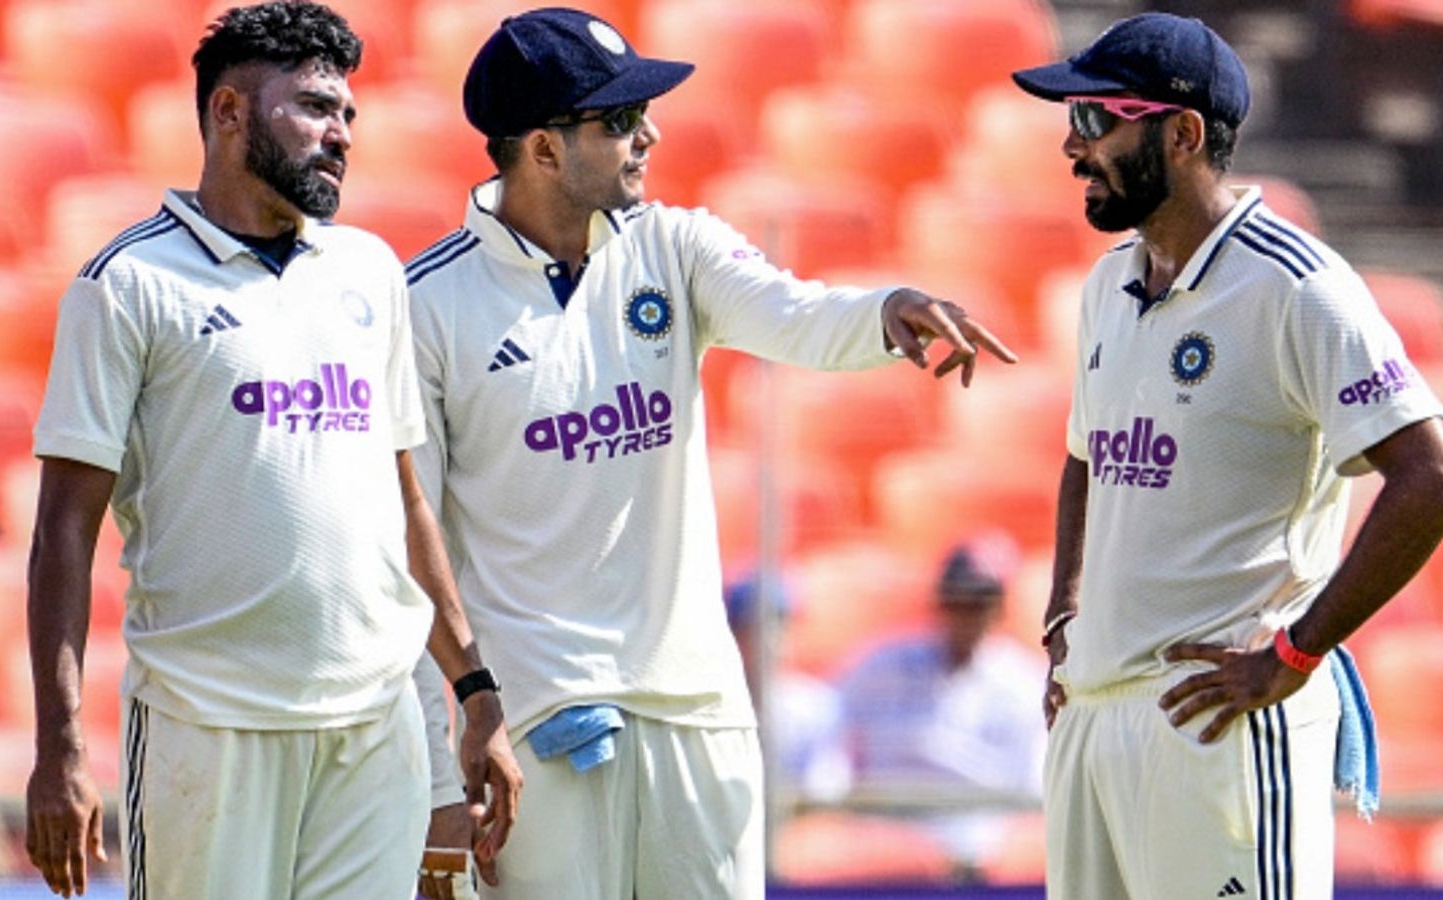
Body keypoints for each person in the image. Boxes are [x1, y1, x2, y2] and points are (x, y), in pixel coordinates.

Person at [405, 8, 1016, 897]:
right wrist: (441, 767)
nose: (647, 133)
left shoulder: (672, 245)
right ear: (541, 149)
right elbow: (412, 550)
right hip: (538, 727)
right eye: (617, 121)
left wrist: (886, 312)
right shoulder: (427, 305)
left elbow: (797, 312)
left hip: (696, 714)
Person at [23, 4, 521, 897]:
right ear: (227, 113)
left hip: (371, 733)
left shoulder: (370, 271)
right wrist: (59, 747)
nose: (340, 135)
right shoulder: (128, 285)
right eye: (315, 108)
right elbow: (64, 531)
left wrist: (476, 692)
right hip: (208, 732)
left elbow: (407, 501)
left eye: (349, 116)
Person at [1010, 12, 1443, 899]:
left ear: (1182, 133)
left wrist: (1293, 655)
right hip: (1093, 716)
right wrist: (1066, 613)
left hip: (1217, 722)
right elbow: (1085, 457)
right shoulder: (1109, 282)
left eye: (1095, 121)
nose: (1073, 148)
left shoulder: (1297, 288)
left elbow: (1437, 480)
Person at [834, 539, 1046, 871]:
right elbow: (834, 756)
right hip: (883, 834)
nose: (965, 612)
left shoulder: (1022, 682)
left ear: (999, 607)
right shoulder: (879, 666)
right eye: (956, 600)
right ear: (940, 602)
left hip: (980, 841)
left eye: (978, 602)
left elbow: (1031, 789)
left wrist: (979, 847)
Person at [723, 573, 848, 805]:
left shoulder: (817, 705)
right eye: (753, 629)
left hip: (798, 830)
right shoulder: (710, 706)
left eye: (779, 625)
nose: (769, 639)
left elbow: (826, 792)